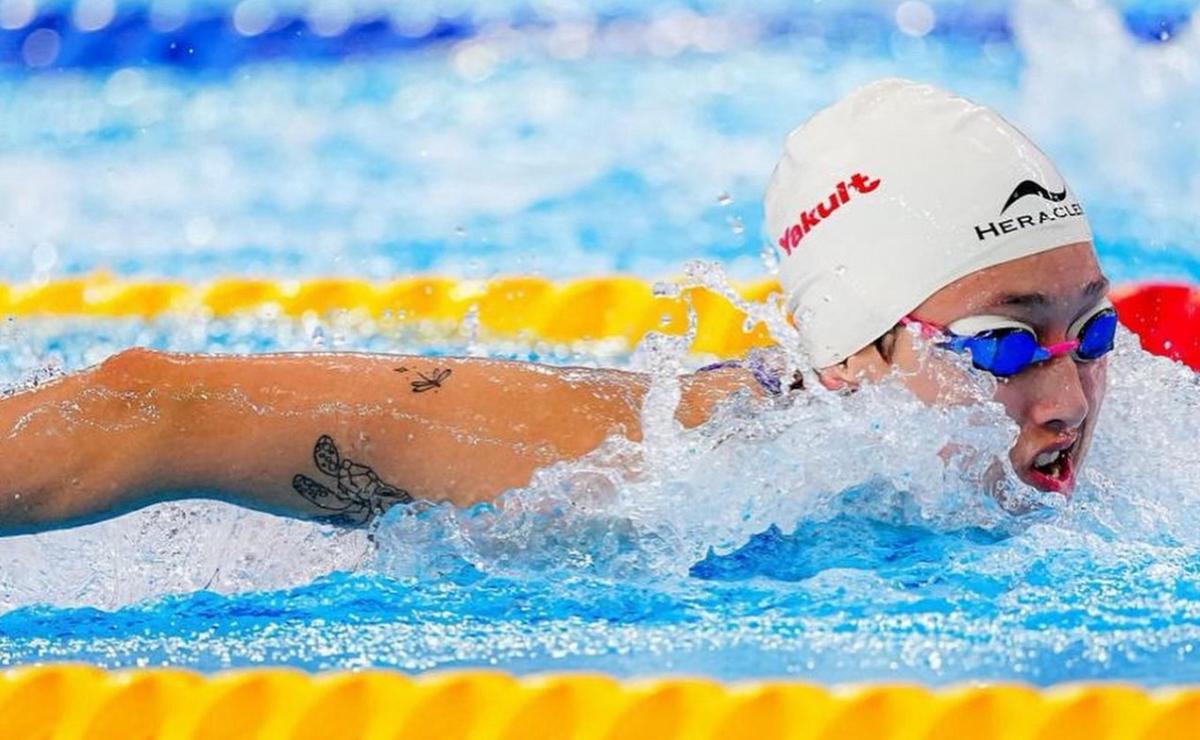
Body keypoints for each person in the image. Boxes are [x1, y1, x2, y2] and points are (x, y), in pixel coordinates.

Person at [0, 78, 1114, 536]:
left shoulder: (1151, 437)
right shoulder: (641, 465)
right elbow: (154, 404)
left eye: (1092, 329)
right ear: (852, 353)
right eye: (1003, 343)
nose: (1069, 396)